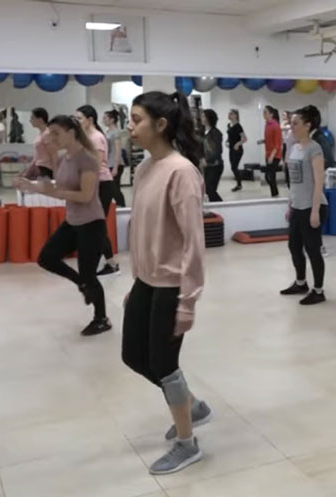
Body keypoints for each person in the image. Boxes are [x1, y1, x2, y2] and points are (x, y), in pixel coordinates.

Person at [123, 91, 212, 475]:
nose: (130, 127)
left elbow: (194, 242)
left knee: (163, 364)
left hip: (173, 284)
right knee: (133, 356)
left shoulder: (181, 172)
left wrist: (188, 301)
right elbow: (142, 231)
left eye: (136, 120)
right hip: (147, 280)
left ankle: (187, 444)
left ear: (160, 125)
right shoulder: (145, 168)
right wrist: (137, 281)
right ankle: (192, 406)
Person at [14, 115, 111, 336]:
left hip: (91, 223)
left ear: (72, 133)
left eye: (56, 133)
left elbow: (86, 196)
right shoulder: (64, 158)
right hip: (72, 221)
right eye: (51, 133)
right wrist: (32, 186)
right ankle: (82, 284)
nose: (52, 138)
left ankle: (101, 319)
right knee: (46, 258)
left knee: (89, 274)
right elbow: (57, 189)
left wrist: (54, 192)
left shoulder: (87, 159)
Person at [280, 105, 328, 306]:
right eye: (291, 123)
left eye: (295, 123)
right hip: (298, 206)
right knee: (294, 246)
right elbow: (293, 181)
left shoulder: (315, 149)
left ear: (307, 125)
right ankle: (301, 283)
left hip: (313, 206)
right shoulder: (294, 147)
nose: (291, 126)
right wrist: (290, 204)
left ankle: (318, 290)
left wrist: (315, 211)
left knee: (312, 249)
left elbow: (319, 182)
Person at [75, 105, 120, 276]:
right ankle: (109, 263)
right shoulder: (86, 137)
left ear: (90, 120)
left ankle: (110, 264)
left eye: (79, 118)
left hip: (102, 184)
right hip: (94, 184)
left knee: (97, 226)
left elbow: (96, 163)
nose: (77, 122)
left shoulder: (97, 137)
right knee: (94, 226)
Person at [21, 107, 59, 179]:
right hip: (39, 167)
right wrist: (27, 172)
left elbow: (54, 154)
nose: (30, 120)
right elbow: (37, 156)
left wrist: (55, 173)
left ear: (40, 119)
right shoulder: (40, 134)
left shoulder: (47, 134)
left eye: (32, 118)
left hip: (46, 169)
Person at [103, 110, 127, 207]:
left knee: (114, 188)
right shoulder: (107, 132)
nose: (103, 120)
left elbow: (118, 150)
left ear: (112, 120)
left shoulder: (116, 132)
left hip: (115, 163)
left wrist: (116, 167)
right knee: (109, 188)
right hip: (109, 163)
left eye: (105, 118)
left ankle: (121, 205)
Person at [201, 109, 223, 202]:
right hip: (207, 166)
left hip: (215, 166)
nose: (201, 118)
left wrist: (207, 160)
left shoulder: (216, 133)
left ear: (208, 118)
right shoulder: (204, 132)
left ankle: (222, 206)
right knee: (207, 190)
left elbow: (218, 151)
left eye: (203, 116)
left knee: (210, 190)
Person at [263, 105, 282, 197]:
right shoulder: (267, 125)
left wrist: (272, 156)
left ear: (271, 114)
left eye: (265, 112)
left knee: (269, 176)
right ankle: (274, 194)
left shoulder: (276, 126)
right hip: (268, 154)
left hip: (275, 155)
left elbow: (277, 144)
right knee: (270, 177)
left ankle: (275, 194)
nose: (264, 114)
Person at [227, 109, 247, 192]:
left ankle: (239, 185)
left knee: (234, 167)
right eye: (229, 113)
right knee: (233, 167)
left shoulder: (238, 126)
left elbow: (244, 138)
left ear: (236, 115)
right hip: (231, 149)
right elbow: (230, 136)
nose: (229, 115)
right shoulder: (229, 125)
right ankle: (239, 184)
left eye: (231, 113)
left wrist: (237, 144)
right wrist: (227, 141)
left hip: (238, 150)